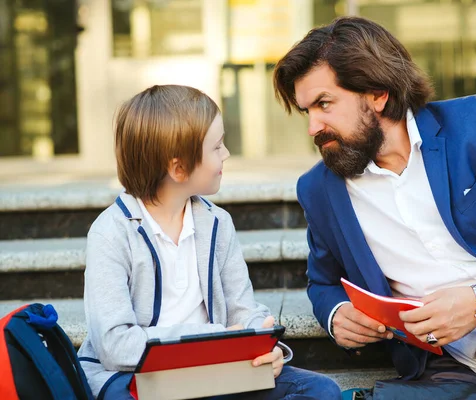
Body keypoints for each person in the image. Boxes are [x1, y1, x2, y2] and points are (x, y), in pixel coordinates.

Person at [272, 16, 476, 399]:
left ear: (378, 94)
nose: (313, 127)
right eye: (306, 111)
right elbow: (324, 282)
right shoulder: (320, 189)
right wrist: (336, 315)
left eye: (324, 104)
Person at [77, 85, 342, 400]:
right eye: (216, 147)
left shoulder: (217, 223)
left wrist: (264, 344)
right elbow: (115, 346)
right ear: (179, 168)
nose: (226, 154)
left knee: (320, 391)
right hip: (134, 376)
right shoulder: (112, 232)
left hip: (215, 371)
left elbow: (242, 310)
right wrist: (210, 340)